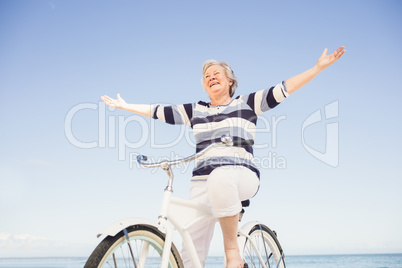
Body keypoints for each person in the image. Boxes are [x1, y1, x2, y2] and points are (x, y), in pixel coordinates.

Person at [101, 46, 346, 268]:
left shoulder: (248, 103)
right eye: (207, 76)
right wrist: (125, 106)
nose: (211, 77)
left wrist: (317, 68)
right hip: (201, 184)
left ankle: (232, 252)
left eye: (216, 73)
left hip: (242, 175)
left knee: (220, 176)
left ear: (230, 81)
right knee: (189, 254)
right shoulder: (195, 110)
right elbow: (158, 111)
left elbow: (284, 88)